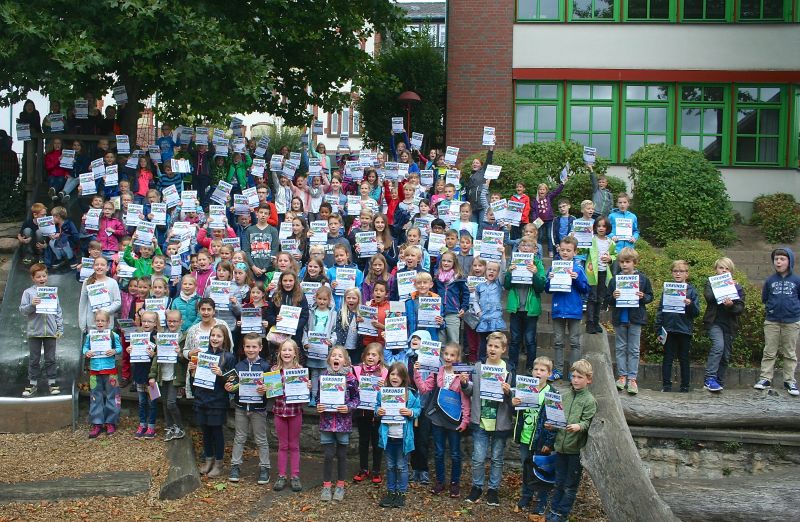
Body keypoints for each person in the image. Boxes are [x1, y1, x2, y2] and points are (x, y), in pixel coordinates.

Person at [413, 342, 470, 498]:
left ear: (458, 357)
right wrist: (417, 373)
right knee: (438, 452)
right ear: (442, 355)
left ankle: (455, 483)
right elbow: (424, 389)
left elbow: (465, 399)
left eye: (452, 355)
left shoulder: (462, 374)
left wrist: (465, 420)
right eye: (446, 354)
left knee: (455, 453)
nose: (449, 357)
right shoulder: (438, 371)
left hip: (454, 419)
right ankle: (440, 481)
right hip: (438, 418)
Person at [464, 332, 514, 507]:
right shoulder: (478, 367)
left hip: (500, 422)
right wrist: (464, 384)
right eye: (490, 345)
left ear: (503, 349)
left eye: (496, 347)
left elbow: (513, 400)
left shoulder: (508, 371)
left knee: (497, 458)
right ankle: (477, 487)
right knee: (478, 457)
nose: (492, 349)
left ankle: (493, 489)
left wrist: (509, 392)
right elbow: (471, 391)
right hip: (481, 421)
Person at [544, 359, 597, 522]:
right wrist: (551, 425)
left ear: (588, 379)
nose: (575, 380)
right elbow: (557, 418)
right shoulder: (564, 396)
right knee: (558, 482)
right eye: (573, 376)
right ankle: (553, 510)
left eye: (580, 377)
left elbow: (589, 423)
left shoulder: (589, 400)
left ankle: (562, 514)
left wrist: (579, 426)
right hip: (560, 447)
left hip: (575, 450)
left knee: (569, 486)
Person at [188, 322, 236, 478]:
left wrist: (221, 373)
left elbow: (233, 383)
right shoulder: (201, 355)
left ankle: (219, 462)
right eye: (213, 335)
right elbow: (194, 383)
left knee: (217, 432)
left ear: (224, 338)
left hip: (218, 400)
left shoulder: (228, 357)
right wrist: (192, 372)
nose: (215, 338)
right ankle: (208, 459)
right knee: (205, 431)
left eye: (219, 336)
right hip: (202, 398)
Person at [606, 247, 653, 395]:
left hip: (636, 318)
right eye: (622, 262)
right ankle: (622, 376)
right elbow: (608, 300)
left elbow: (650, 297)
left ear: (635, 263)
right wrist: (613, 296)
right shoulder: (614, 280)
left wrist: (642, 296)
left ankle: (632, 378)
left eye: (627, 262)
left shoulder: (643, 279)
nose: (624, 265)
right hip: (620, 318)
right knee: (620, 348)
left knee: (633, 349)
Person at [226, 333, 272, 485]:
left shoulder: (266, 366)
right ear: (243, 348)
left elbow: (274, 390)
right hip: (241, 407)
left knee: (260, 439)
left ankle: (265, 467)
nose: (250, 349)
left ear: (260, 348)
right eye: (247, 346)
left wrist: (266, 389)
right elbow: (234, 387)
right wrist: (230, 388)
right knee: (239, 437)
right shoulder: (239, 366)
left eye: (254, 347)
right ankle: (235, 466)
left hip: (258, 409)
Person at [511, 356, 555, 515]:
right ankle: (526, 495)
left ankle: (541, 500)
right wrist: (514, 404)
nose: (538, 372)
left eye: (542, 370)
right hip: (525, 436)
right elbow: (515, 413)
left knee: (542, 469)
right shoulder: (524, 387)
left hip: (541, 439)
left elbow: (554, 420)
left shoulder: (552, 393)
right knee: (526, 467)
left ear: (549, 374)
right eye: (536, 369)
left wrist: (549, 442)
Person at [316, 345, 360, 502]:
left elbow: (357, 399)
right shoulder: (323, 377)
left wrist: (348, 407)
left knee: (342, 455)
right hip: (326, 423)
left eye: (340, 356)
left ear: (346, 361)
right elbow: (318, 397)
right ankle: (327, 486)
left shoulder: (351, 379)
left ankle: (340, 485)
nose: (336, 358)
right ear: (329, 359)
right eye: (333, 355)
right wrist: (319, 405)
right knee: (328, 455)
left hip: (343, 424)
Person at [755, 247, 800, 395]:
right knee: (769, 351)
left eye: (782, 259)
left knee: (789, 352)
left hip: (791, 321)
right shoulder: (770, 280)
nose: (779, 262)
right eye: (776, 259)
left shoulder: (796, 280)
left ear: (790, 261)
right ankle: (765, 378)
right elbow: (765, 298)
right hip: (772, 321)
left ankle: (790, 381)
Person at [376, 362, 422, 509]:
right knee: (390, 466)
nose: (395, 377)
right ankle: (391, 492)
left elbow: (418, 409)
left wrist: (411, 412)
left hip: (403, 438)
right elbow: (377, 407)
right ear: (389, 376)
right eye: (393, 374)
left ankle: (401, 493)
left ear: (404, 378)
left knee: (401, 466)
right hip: (388, 437)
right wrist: (379, 411)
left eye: (399, 374)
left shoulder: (409, 394)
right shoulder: (383, 393)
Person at [545, 237, 589, 381]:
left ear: (575, 252)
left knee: (575, 342)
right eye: (562, 250)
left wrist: (576, 278)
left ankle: (574, 373)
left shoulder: (578, 269)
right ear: (559, 250)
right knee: (558, 341)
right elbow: (547, 290)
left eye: (568, 250)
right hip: (558, 309)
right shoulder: (553, 267)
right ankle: (557, 370)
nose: (565, 252)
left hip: (574, 310)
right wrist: (549, 279)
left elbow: (585, 289)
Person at [655, 260, 700, 393]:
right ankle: (666, 385)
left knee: (684, 358)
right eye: (675, 271)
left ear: (687, 274)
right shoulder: (667, 289)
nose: (678, 274)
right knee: (668, 358)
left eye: (681, 271)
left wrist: (690, 304)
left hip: (684, 329)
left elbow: (696, 312)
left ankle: (685, 386)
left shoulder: (692, 291)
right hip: (668, 329)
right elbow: (660, 310)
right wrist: (658, 329)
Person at [271, 339, 310, 493]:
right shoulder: (274, 370)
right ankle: (281, 476)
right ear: (279, 353)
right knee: (282, 445)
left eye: (290, 350)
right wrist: (264, 388)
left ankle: (294, 476)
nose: (286, 353)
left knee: (294, 445)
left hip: (295, 413)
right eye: (284, 350)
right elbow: (271, 393)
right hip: (279, 412)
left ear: (295, 353)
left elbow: (305, 396)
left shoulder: (300, 371)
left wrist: (307, 387)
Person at [19, 263, 63, 397]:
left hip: (50, 331)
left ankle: (52, 382)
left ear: (47, 276)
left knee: (50, 358)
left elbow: (58, 311)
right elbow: (22, 310)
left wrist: (59, 327)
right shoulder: (28, 292)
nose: (42, 278)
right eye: (38, 277)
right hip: (34, 332)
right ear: (33, 278)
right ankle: (32, 383)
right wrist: (32, 305)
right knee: (34, 359)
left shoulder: (52, 292)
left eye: (44, 275)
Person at [505, 237, 546, 372]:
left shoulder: (538, 264)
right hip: (516, 308)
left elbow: (541, 287)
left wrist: (534, 274)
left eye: (529, 246)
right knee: (515, 339)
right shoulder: (513, 262)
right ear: (519, 248)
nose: (525, 247)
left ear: (535, 250)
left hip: (531, 309)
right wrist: (509, 273)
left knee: (530, 340)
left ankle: (530, 368)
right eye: (523, 245)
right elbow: (506, 285)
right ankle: (512, 367)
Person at [82, 310, 123, 437]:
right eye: (98, 320)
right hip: (94, 370)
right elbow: (85, 348)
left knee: (113, 395)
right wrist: (86, 352)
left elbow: (120, 348)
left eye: (103, 321)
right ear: (95, 322)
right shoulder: (90, 335)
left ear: (108, 322)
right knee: (95, 396)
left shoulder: (113, 335)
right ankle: (97, 423)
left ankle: (111, 421)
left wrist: (114, 351)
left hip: (110, 370)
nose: (100, 323)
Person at [148, 309, 187, 441]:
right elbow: (156, 358)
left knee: (171, 403)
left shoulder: (184, 337)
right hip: (162, 375)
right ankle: (170, 428)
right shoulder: (162, 336)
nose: (172, 323)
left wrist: (179, 353)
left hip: (175, 376)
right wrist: (152, 375)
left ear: (181, 322)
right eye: (169, 321)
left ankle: (180, 427)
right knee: (165, 403)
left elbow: (185, 360)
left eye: (175, 321)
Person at [352, 343, 388, 485]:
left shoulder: (385, 372)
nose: (371, 357)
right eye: (368, 354)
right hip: (362, 411)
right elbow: (351, 386)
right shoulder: (356, 369)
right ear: (364, 356)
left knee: (377, 441)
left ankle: (376, 470)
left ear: (380, 357)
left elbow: (391, 391)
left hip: (377, 412)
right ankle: (363, 469)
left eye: (374, 355)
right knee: (363, 440)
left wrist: (383, 386)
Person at [131, 311, 159, 439]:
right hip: (139, 374)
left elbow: (161, 356)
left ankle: (151, 426)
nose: (146, 323)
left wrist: (154, 355)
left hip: (152, 376)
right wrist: (130, 350)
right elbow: (132, 353)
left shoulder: (157, 338)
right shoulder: (137, 335)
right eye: (144, 321)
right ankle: (142, 424)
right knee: (142, 401)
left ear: (155, 323)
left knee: (152, 401)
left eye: (150, 321)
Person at [585, 217, 615, 334]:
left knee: (600, 298)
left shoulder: (610, 242)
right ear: (595, 227)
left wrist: (610, 258)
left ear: (607, 228)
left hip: (604, 273)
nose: (601, 228)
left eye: (603, 226)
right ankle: (589, 323)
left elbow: (614, 255)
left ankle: (596, 322)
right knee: (592, 298)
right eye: (598, 226)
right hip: (592, 273)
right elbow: (582, 250)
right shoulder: (591, 239)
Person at [78, 257, 122, 333]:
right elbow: (83, 304)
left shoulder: (113, 282)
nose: (99, 267)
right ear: (93, 267)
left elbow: (117, 302)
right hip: (91, 324)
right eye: (97, 265)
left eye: (102, 265)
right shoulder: (87, 282)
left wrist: (105, 310)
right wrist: (82, 324)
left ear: (107, 268)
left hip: (107, 324)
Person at [533, 180, 565, 258]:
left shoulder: (549, 197)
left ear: (546, 191)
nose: (542, 191)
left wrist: (562, 184)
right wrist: (534, 220)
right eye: (540, 189)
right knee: (539, 235)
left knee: (549, 235)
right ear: (538, 191)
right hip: (539, 221)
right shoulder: (535, 200)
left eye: (543, 189)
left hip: (549, 219)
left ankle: (550, 250)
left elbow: (556, 192)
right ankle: (538, 250)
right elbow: (534, 211)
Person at [465, 146, 494, 224]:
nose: (474, 164)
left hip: (482, 205)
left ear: (481, 165)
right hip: (473, 206)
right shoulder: (470, 176)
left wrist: (490, 150)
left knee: (482, 224)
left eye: (477, 163)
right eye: (473, 163)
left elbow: (488, 161)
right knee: (474, 225)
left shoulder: (483, 172)